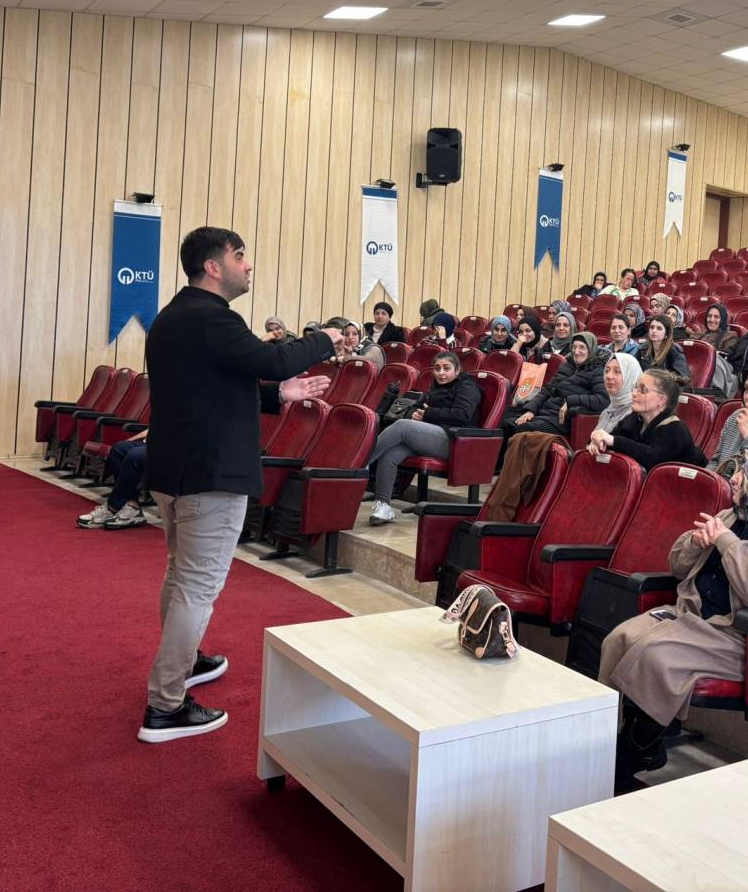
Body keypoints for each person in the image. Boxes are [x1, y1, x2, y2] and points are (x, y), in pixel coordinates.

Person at [140, 226, 341, 743]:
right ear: (213, 267)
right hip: (209, 474)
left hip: (175, 469)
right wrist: (325, 338)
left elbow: (212, 388)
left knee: (180, 576)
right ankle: (166, 704)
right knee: (197, 587)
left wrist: (279, 396)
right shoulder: (213, 318)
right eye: (239, 256)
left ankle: (186, 661)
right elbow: (272, 360)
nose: (248, 265)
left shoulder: (174, 317)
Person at [600, 447, 748, 786]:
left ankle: (634, 753)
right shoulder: (735, 514)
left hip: (735, 636)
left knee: (655, 657)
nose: (734, 478)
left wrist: (725, 542)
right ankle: (621, 740)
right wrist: (696, 542)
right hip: (690, 614)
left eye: (746, 474)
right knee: (618, 639)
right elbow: (677, 567)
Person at [367, 351, 482, 525]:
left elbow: (462, 415)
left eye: (446, 368)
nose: (441, 373)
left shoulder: (467, 385)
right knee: (390, 454)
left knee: (401, 426)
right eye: (437, 368)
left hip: (456, 440)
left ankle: (362, 463)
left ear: (457, 370)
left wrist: (428, 413)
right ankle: (383, 507)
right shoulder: (435, 387)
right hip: (433, 436)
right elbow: (418, 407)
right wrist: (416, 413)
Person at [588, 368, 707, 469]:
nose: (634, 393)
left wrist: (612, 440)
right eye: (635, 388)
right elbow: (611, 438)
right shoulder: (634, 419)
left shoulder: (676, 429)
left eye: (642, 390)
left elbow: (651, 457)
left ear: (661, 400)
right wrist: (597, 442)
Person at [506, 332, 608, 439]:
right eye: (574, 347)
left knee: (521, 429)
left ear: (591, 349)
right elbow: (547, 390)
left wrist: (570, 401)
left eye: (582, 347)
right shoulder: (566, 365)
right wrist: (531, 410)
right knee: (505, 423)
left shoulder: (598, 370)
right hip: (544, 413)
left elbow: (603, 399)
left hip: (561, 420)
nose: (576, 351)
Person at [77, 431, 149, 529]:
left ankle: (113, 507)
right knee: (117, 449)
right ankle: (131, 505)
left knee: (135, 454)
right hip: (151, 442)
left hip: (167, 445)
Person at [636, 314, 689, 380]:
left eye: (659, 328)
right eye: (652, 327)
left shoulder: (674, 351)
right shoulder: (642, 348)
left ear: (666, 334)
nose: (654, 331)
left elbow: (682, 377)